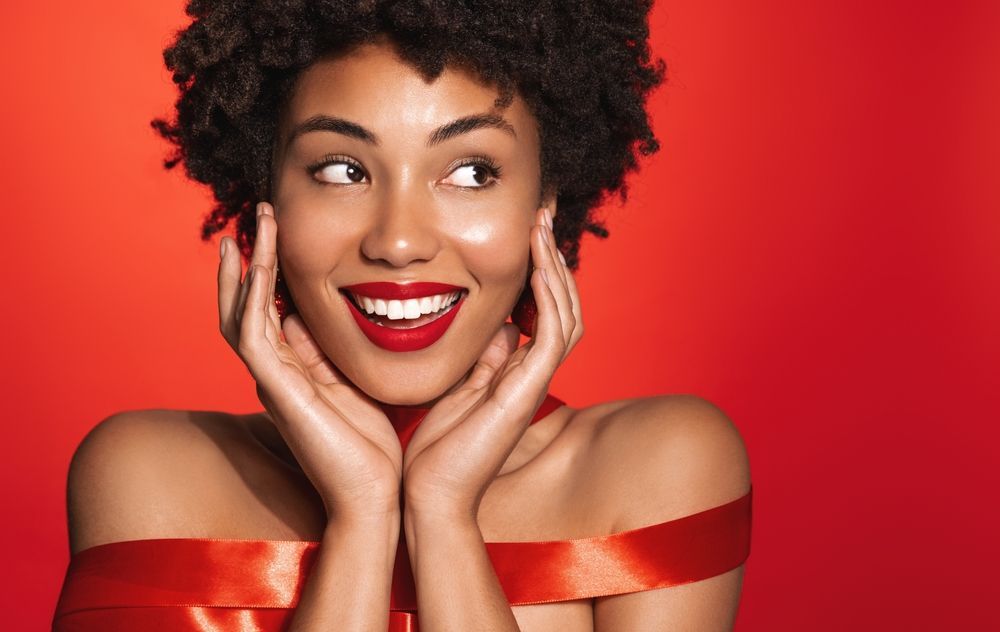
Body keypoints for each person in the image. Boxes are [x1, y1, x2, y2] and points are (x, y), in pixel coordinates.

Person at [54, 1, 751, 630]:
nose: (398, 241)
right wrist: (361, 519)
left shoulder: (659, 467)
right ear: (269, 202)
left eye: (472, 172)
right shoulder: (150, 475)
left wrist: (443, 516)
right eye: (341, 170)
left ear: (545, 205)